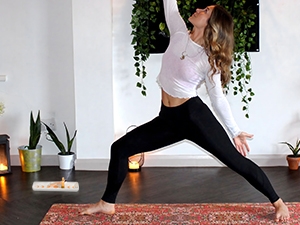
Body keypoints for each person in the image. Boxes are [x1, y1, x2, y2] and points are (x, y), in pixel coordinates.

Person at [82, 0, 290, 222]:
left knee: (235, 161)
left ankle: (278, 202)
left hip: (194, 118)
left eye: (205, 11)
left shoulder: (208, 59)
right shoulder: (179, 32)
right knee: (120, 148)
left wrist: (235, 131)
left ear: (212, 24)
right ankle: (107, 204)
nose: (199, 9)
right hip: (168, 118)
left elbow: (218, 98)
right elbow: (170, 5)